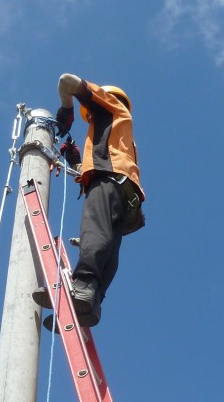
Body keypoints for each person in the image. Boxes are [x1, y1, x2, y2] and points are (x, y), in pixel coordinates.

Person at [33, 73, 145, 327]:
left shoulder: (110, 106)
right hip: (126, 194)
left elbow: (66, 81)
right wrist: (75, 159)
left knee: (94, 231)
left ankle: (82, 286)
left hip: (109, 182)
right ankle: (91, 304)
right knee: (109, 244)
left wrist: (67, 108)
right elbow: (102, 159)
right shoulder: (121, 132)